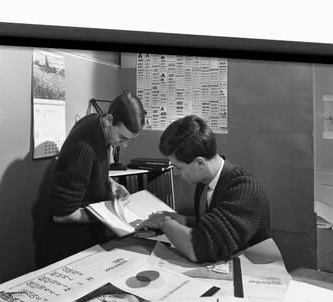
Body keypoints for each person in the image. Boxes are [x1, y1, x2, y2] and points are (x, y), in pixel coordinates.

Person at [37, 91, 147, 266]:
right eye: (123, 138)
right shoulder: (84, 147)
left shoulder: (97, 121)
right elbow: (62, 215)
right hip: (67, 250)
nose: (124, 145)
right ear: (109, 120)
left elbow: (89, 171)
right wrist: (108, 215)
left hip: (88, 242)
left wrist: (111, 183)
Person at [141, 115, 270, 263]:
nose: (176, 173)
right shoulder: (204, 182)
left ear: (199, 163)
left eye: (178, 167)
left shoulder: (245, 189)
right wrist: (178, 218)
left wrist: (164, 222)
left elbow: (199, 249)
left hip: (249, 274)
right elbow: (211, 225)